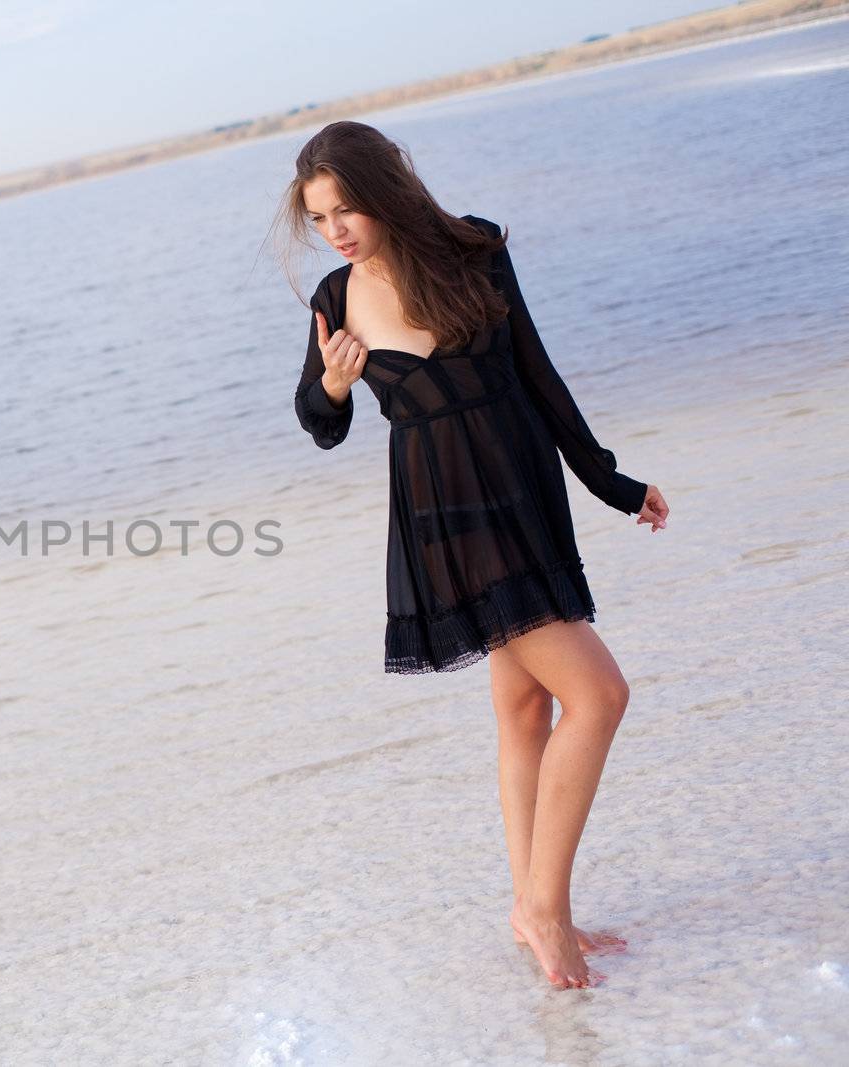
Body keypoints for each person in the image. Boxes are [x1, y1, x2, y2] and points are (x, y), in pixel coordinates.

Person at [281, 121, 671, 990]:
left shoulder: (476, 251)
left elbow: (538, 373)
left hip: (526, 496)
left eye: (346, 207)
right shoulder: (335, 299)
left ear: (386, 190)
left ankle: (542, 911)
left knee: (528, 712)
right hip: (447, 520)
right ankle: (542, 907)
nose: (337, 228)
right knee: (600, 694)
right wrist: (334, 386)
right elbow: (318, 419)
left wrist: (610, 480)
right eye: (320, 217)